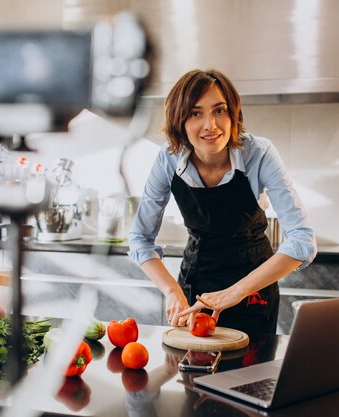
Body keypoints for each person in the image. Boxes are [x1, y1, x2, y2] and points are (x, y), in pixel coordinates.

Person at [128, 68, 316, 335]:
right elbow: (139, 239)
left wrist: (236, 292)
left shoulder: (259, 154)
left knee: (252, 375)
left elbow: (302, 241)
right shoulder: (168, 159)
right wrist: (172, 290)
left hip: (253, 294)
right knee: (191, 374)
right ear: (179, 121)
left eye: (219, 110)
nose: (210, 125)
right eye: (195, 113)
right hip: (194, 294)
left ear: (234, 115)